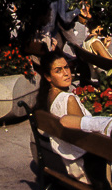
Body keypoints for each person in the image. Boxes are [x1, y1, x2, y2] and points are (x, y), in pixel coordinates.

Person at [38, 49, 91, 179]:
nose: (66, 73)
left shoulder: (47, 96)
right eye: (58, 70)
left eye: (66, 67)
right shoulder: (68, 99)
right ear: (48, 77)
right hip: (83, 163)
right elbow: (84, 139)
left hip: (68, 158)